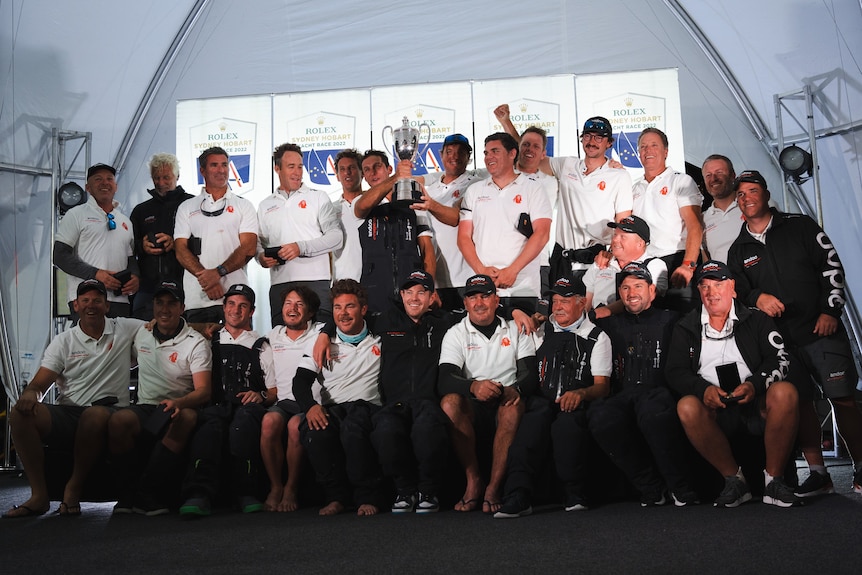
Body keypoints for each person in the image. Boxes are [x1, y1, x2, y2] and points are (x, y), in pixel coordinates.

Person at [727, 170, 862, 497]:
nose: (747, 197)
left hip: (821, 329)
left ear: (766, 193)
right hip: (782, 343)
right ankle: (819, 474)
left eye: (753, 190)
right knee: (801, 403)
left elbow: (831, 266)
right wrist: (757, 297)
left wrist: (831, 311)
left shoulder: (800, 225)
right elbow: (740, 293)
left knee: (843, 398)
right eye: (741, 194)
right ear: (737, 202)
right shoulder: (738, 250)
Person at [668, 260, 801, 508]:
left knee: (785, 392)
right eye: (705, 286)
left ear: (733, 288)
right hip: (714, 406)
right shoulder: (685, 326)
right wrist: (702, 390)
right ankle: (734, 481)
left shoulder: (757, 319)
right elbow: (674, 371)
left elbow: (780, 359)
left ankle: (774, 481)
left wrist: (755, 385)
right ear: (699, 291)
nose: (711, 292)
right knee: (686, 405)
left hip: (755, 401)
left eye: (718, 284)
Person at [3, 279, 140, 518]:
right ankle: (39, 497)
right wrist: (30, 395)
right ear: (75, 306)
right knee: (19, 413)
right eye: (85, 300)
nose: (91, 305)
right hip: (69, 413)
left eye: (97, 300)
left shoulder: (126, 328)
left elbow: (165, 325)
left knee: (94, 414)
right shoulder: (63, 341)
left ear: (107, 306)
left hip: (110, 412)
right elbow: (39, 384)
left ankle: (73, 488)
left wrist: (205, 328)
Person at [589, 263, 699, 506]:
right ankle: (650, 486)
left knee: (654, 414)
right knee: (600, 417)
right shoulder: (608, 324)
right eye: (625, 288)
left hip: (660, 392)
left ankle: (680, 487)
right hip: (622, 394)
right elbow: (574, 319)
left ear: (652, 290)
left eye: (638, 286)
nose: (631, 292)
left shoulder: (674, 320)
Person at [500, 276, 610, 516]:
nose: (557, 307)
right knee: (530, 426)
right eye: (555, 301)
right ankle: (517, 495)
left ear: (582, 304)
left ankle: (573, 493)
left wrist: (581, 393)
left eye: (565, 301)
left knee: (567, 427)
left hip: (576, 401)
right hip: (541, 399)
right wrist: (518, 311)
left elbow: (603, 386)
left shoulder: (597, 337)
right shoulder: (539, 329)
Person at [108, 281, 212, 515]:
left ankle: (147, 493)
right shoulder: (141, 334)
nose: (164, 309)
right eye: (159, 303)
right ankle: (126, 495)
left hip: (181, 405)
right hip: (146, 407)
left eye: (171, 304)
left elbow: (204, 391)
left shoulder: (196, 342)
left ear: (182, 307)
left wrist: (179, 402)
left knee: (184, 418)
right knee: (118, 421)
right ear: (153, 306)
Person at [438, 274, 538, 514]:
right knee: (449, 402)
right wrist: (473, 386)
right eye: (472, 297)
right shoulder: (455, 333)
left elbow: (531, 374)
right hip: (473, 401)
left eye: (485, 296)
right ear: (465, 304)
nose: (479, 302)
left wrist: (515, 389)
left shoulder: (516, 327)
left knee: (513, 405)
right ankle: (474, 481)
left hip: (507, 396)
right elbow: (444, 380)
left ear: (496, 300)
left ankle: (494, 486)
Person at [495, 108, 633, 282]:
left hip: (598, 258)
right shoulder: (567, 165)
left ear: (609, 143)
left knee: (593, 309)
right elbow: (530, 153)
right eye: (588, 136)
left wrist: (613, 254)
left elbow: (623, 222)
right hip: (562, 258)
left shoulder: (619, 175)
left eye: (599, 137)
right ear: (582, 139)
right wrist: (506, 122)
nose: (592, 142)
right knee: (558, 310)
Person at [179, 283, 275, 517]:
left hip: (247, 408)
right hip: (215, 405)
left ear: (252, 311)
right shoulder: (207, 340)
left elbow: (274, 390)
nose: (236, 310)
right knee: (209, 429)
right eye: (231, 304)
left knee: (242, 427)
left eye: (243, 306)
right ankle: (198, 494)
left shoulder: (261, 344)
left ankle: (246, 493)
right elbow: (177, 327)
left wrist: (260, 396)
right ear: (223, 308)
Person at [293, 279, 385, 516]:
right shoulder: (323, 342)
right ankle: (336, 497)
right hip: (332, 407)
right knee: (313, 428)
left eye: (350, 307)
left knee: (354, 428)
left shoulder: (380, 334)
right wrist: (310, 406)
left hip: (368, 407)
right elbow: (300, 382)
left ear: (363, 309)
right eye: (337, 307)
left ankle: (367, 496)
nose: (343, 314)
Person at [458, 133, 552, 314]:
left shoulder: (533, 188)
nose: (488, 157)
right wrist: (481, 271)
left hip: (523, 285)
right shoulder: (474, 191)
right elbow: (463, 237)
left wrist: (513, 270)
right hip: (483, 288)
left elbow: (542, 234)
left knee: (524, 340)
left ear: (512, 154)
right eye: (486, 153)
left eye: (495, 151)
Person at [257, 143, 342, 327]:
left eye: (300, 166)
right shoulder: (265, 205)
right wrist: (260, 258)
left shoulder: (318, 196)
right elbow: (259, 243)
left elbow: (336, 237)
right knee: (282, 345)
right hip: (280, 285)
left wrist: (300, 248)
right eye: (291, 166)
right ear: (277, 168)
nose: (297, 172)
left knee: (321, 342)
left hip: (316, 282)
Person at [174, 146, 258, 323]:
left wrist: (217, 273)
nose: (221, 170)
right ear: (202, 170)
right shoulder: (187, 207)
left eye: (224, 165)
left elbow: (249, 248)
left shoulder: (244, 205)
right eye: (214, 165)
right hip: (198, 299)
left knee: (238, 350)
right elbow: (180, 249)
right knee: (198, 351)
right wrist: (207, 279)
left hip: (236, 300)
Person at [259, 285, 323, 512]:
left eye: (299, 304)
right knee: (268, 422)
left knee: (296, 426)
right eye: (288, 303)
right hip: (283, 401)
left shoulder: (320, 332)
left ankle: (291, 488)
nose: (292, 309)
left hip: (311, 403)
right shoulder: (273, 335)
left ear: (311, 312)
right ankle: (276, 486)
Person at [54, 163, 139, 319]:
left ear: (116, 186)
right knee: (87, 343)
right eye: (98, 179)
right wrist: (95, 274)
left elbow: (130, 258)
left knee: (119, 343)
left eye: (109, 179)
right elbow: (59, 256)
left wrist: (135, 277)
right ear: (87, 187)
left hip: (120, 300)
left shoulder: (125, 220)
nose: (104, 182)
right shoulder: (75, 214)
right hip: (86, 298)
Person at [354, 150, 436, 313]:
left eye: (377, 166)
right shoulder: (361, 202)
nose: (373, 172)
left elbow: (427, 249)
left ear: (389, 168)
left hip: (411, 290)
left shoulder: (413, 200)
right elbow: (361, 207)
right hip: (374, 290)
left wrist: (429, 288)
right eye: (367, 170)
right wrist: (396, 178)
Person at [631, 128, 703, 295]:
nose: (648, 150)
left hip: (677, 261)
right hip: (645, 265)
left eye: (654, 145)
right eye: (643, 146)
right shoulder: (634, 188)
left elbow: (695, 226)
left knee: (682, 318)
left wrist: (688, 265)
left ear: (666, 152)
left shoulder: (680, 180)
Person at [420, 134, 484, 310]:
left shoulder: (476, 185)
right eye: (449, 151)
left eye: (460, 152)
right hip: (435, 280)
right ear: (441, 154)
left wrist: (431, 205)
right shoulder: (431, 189)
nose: (454, 156)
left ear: (469, 157)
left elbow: (456, 217)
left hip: (465, 278)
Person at [129, 153, 194, 320]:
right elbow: (127, 246)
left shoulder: (192, 205)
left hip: (185, 285)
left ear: (177, 176)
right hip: (148, 287)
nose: (161, 182)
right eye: (156, 177)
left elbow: (205, 243)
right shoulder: (140, 210)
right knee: (143, 336)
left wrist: (176, 244)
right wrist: (141, 246)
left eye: (166, 177)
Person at [583, 215, 667, 317]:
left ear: (640, 244)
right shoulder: (601, 263)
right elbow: (585, 300)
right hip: (597, 325)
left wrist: (601, 313)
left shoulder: (655, 265)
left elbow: (646, 297)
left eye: (623, 237)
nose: (615, 240)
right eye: (615, 235)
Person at [700, 154, 741, 264]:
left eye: (719, 172)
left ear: (733, 175)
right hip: (724, 280)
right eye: (708, 175)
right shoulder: (702, 219)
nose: (713, 179)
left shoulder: (752, 205)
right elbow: (707, 261)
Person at [331, 149, 365, 282]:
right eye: (342, 169)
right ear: (338, 176)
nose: (347, 173)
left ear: (362, 173)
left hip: (374, 281)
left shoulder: (376, 205)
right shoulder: (331, 209)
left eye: (352, 168)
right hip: (341, 282)